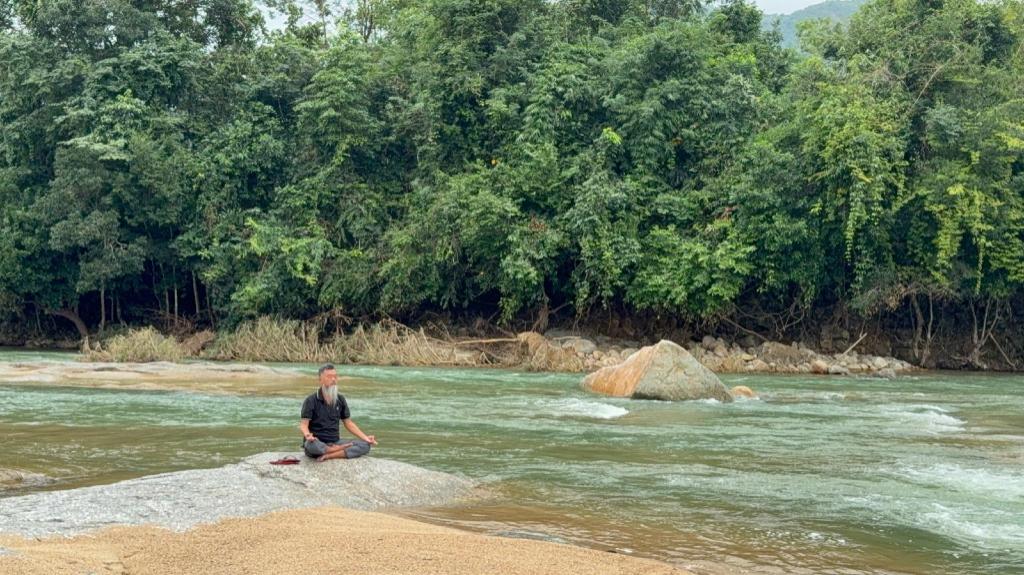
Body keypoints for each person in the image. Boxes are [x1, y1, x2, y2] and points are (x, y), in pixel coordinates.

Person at [300, 364, 378, 461]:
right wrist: (308, 435)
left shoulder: (340, 399)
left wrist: (366, 438)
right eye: (329, 377)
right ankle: (333, 450)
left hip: (336, 442)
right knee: (310, 445)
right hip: (318, 443)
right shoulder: (311, 400)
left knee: (365, 445)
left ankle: (330, 455)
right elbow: (303, 424)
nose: (333, 379)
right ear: (320, 379)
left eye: (335, 376)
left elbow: (348, 423)